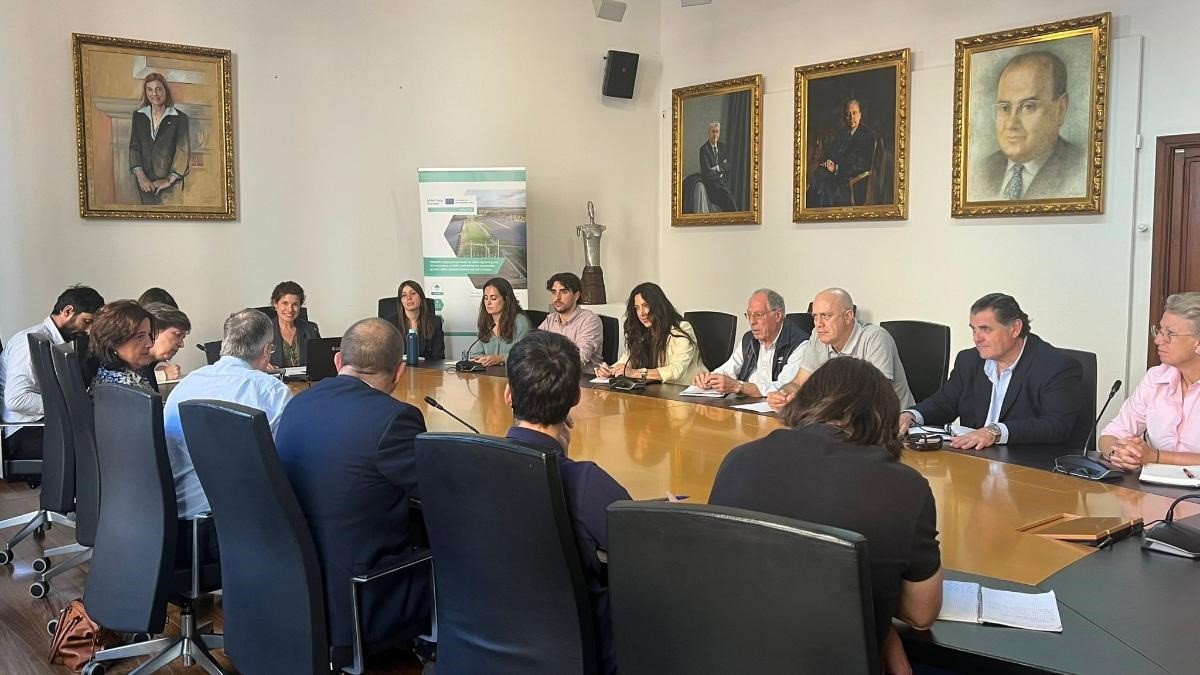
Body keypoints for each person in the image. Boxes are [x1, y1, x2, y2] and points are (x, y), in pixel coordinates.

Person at [709, 357, 942, 674]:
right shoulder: (905, 487)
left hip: (730, 657)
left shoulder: (738, 460)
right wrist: (879, 615)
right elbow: (921, 614)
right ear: (883, 416)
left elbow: (730, 573)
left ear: (807, 400)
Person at [275, 318, 430, 649]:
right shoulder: (395, 418)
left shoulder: (297, 403)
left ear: (338, 361)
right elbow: (439, 496)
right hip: (360, 600)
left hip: (293, 594)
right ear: (399, 371)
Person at [504, 331, 631, 675]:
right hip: (575, 653)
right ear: (576, 395)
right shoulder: (585, 482)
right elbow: (644, 550)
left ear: (508, 394)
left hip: (485, 645)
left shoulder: (469, 464)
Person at [899, 293, 1083, 450]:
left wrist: (995, 431)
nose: (976, 338)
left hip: (1028, 465)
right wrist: (911, 416)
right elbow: (944, 403)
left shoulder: (1055, 366)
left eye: (985, 329)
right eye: (974, 330)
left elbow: (1056, 425)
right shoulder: (969, 360)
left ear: (1015, 328)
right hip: (975, 461)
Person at [163, 309, 292, 519]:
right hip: (242, 517)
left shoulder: (186, 384)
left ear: (225, 343)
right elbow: (287, 459)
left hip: (181, 512)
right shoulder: (271, 391)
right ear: (267, 350)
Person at [1, 285, 104, 460]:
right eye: (87, 321)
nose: (88, 330)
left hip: (42, 424)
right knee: (97, 447)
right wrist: (71, 405)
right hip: (22, 431)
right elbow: (16, 400)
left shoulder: (55, 342)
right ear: (67, 311)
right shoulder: (28, 342)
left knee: (103, 436)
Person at [768, 288, 913, 409]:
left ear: (848, 316)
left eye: (826, 316)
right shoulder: (818, 336)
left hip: (889, 422)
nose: (818, 324)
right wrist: (784, 394)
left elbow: (876, 395)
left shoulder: (875, 338)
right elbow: (799, 383)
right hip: (841, 419)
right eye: (815, 317)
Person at [1101, 292, 1200, 469]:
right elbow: (1111, 434)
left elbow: (1151, 457)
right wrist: (1119, 454)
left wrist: (1155, 457)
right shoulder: (1156, 378)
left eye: (1170, 334)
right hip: (1152, 483)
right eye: (1160, 330)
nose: (1158, 340)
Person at [971, 51, 1086, 201]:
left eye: (1028, 107)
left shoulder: (1080, 168)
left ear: (1060, 110)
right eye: (1004, 108)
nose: (1011, 124)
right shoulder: (982, 171)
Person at [693, 289, 808, 396]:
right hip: (745, 403)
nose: (752, 322)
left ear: (778, 315)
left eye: (758, 315)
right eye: (749, 315)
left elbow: (785, 388)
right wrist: (709, 379)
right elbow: (729, 369)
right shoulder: (749, 339)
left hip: (774, 407)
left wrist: (740, 387)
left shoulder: (800, 344)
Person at [597, 282, 703, 385]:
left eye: (646, 305)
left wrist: (634, 373)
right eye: (637, 308)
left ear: (659, 306)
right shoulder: (642, 333)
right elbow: (625, 362)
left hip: (686, 390)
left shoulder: (682, 328)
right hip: (657, 391)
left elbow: (676, 370)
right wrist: (609, 370)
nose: (641, 313)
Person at [129, 72, 190, 206]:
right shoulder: (139, 116)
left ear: (165, 91)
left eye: (159, 89)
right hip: (145, 185)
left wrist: (169, 180)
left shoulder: (180, 118)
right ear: (145, 92)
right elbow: (134, 148)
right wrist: (141, 177)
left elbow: (183, 152)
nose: (154, 94)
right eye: (149, 89)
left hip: (170, 186)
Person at [807, 99, 878, 207]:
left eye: (854, 113)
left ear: (860, 115)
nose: (851, 117)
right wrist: (828, 162)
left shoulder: (868, 136)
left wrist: (837, 168)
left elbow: (862, 164)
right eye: (848, 114)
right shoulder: (843, 134)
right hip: (836, 175)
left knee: (823, 185)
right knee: (818, 175)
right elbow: (832, 152)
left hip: (851, 180)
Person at [538, 272, 603, 371]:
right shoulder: (549, 320)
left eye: (564, 292)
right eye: (554, 292)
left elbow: (578, 359)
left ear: (576, 296)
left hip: (583, 378)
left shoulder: (590, 320)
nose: (557, 297)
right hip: (551, 376)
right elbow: (533, 348)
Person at [89, 301, 156, 392]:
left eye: (149, 334)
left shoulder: (132, 373)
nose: (150, 344)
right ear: (113, 342)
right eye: (140, 337)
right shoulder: (122, 388)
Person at [469, 277, 530, 367]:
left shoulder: (520, 321)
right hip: (488, 373)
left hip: (513, 373)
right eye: (485, 298)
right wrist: (480, 359)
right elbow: (476, 353)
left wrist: (501, 358)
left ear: (506, 299)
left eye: (493, 298)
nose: (488, 303)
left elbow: (525, 354)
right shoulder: (484, 321)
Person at [268, 280, 321, 368]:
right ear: (275, 304)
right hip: (274, 376)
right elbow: (250, 362)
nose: (290, 309)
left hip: (305, 377)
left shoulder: (311, 329)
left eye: (295, 304)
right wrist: (261, 365)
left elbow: (320, 359)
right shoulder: (263, 331)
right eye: (285, 303)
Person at [138, 302, 191, 389]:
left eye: (183, 338)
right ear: (153, 331)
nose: (182, 344)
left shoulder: (151, 365)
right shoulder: (126, 370)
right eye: (178, 335)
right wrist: (163, 375)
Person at [397, 279, 445, 361]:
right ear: (401, 301)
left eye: (413, 293)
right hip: (399, 367)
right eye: (404, 295)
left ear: (421, 297)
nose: (409, 298)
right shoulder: (390, 323)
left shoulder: (435, 322)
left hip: (427, 368)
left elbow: (438, 357)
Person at [699, 122, 737, 212]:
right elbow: (707, 172)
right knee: (728, 199)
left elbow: (730, 165)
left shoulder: (722, 147)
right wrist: (722, 169)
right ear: (709, 133)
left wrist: (717, 167)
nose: (715, 135)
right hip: (711, 186)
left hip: (724, 183)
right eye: (713, 132)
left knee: (732, 198)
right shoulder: (704, 150)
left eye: (717, 132)